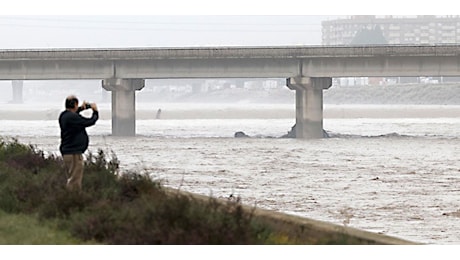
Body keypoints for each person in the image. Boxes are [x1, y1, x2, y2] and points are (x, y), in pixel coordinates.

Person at [58, 95, 99, 191]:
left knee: (71, 177)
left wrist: (81, 108)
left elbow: (73, 114)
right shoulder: (73, 118)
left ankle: (69, 198)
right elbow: (90, 121)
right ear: (75, 104)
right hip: (74, 154)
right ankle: (74, 200)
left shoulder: (64, 115)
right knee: (75, 180)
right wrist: (95, 112)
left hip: (68, 152)